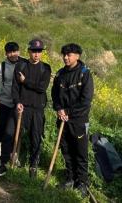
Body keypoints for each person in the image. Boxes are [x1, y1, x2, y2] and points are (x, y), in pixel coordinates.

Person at [51, 43, 94, 197]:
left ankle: (82, 182)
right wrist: (58, 109)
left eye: (69, 55)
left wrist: (68, 111)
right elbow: (55, 95)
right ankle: (70, 178)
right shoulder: (60, 74)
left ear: (77, 56)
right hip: (62, 119)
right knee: (66, 149)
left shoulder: (84, 73)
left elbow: (86, 100)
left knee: (80, 152)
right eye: (64, 54)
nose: (65, 57)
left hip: (78, 120)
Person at [11, 39, 51, 178]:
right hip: (22, 107)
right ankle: (15, 159)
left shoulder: (46, 68)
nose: (36, 54)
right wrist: (17, 102)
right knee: (17, 134)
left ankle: (33, 164)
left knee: (35, 137)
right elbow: (15, 88)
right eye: (34, 51)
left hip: (37, 109)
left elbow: (42, 88)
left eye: (39, 51)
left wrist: (25, 81)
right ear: (29, 51)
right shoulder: (20, 66)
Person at [0, 42, 25, 177]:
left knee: (17, 128)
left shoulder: (24, 64)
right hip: (5, 101)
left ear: (19, 51)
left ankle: (14, 153)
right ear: (6, 53)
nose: (13, 54)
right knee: (3, 125)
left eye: (15, 51)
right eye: (10, 52)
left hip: (19, 103)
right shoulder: (2, 65)